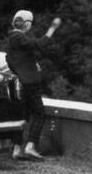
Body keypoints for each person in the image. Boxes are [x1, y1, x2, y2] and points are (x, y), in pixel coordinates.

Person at [6, 10, 61, 160]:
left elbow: (9, 59)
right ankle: (31, 146)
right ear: (25, 23)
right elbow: (40, 44)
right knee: (39, 113)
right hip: (30, 82)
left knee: (23, 115)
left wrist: (23, 67)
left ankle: (17, 148)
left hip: (21, 82)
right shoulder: (19, 36)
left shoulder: (12, 38)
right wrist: (52, 28)